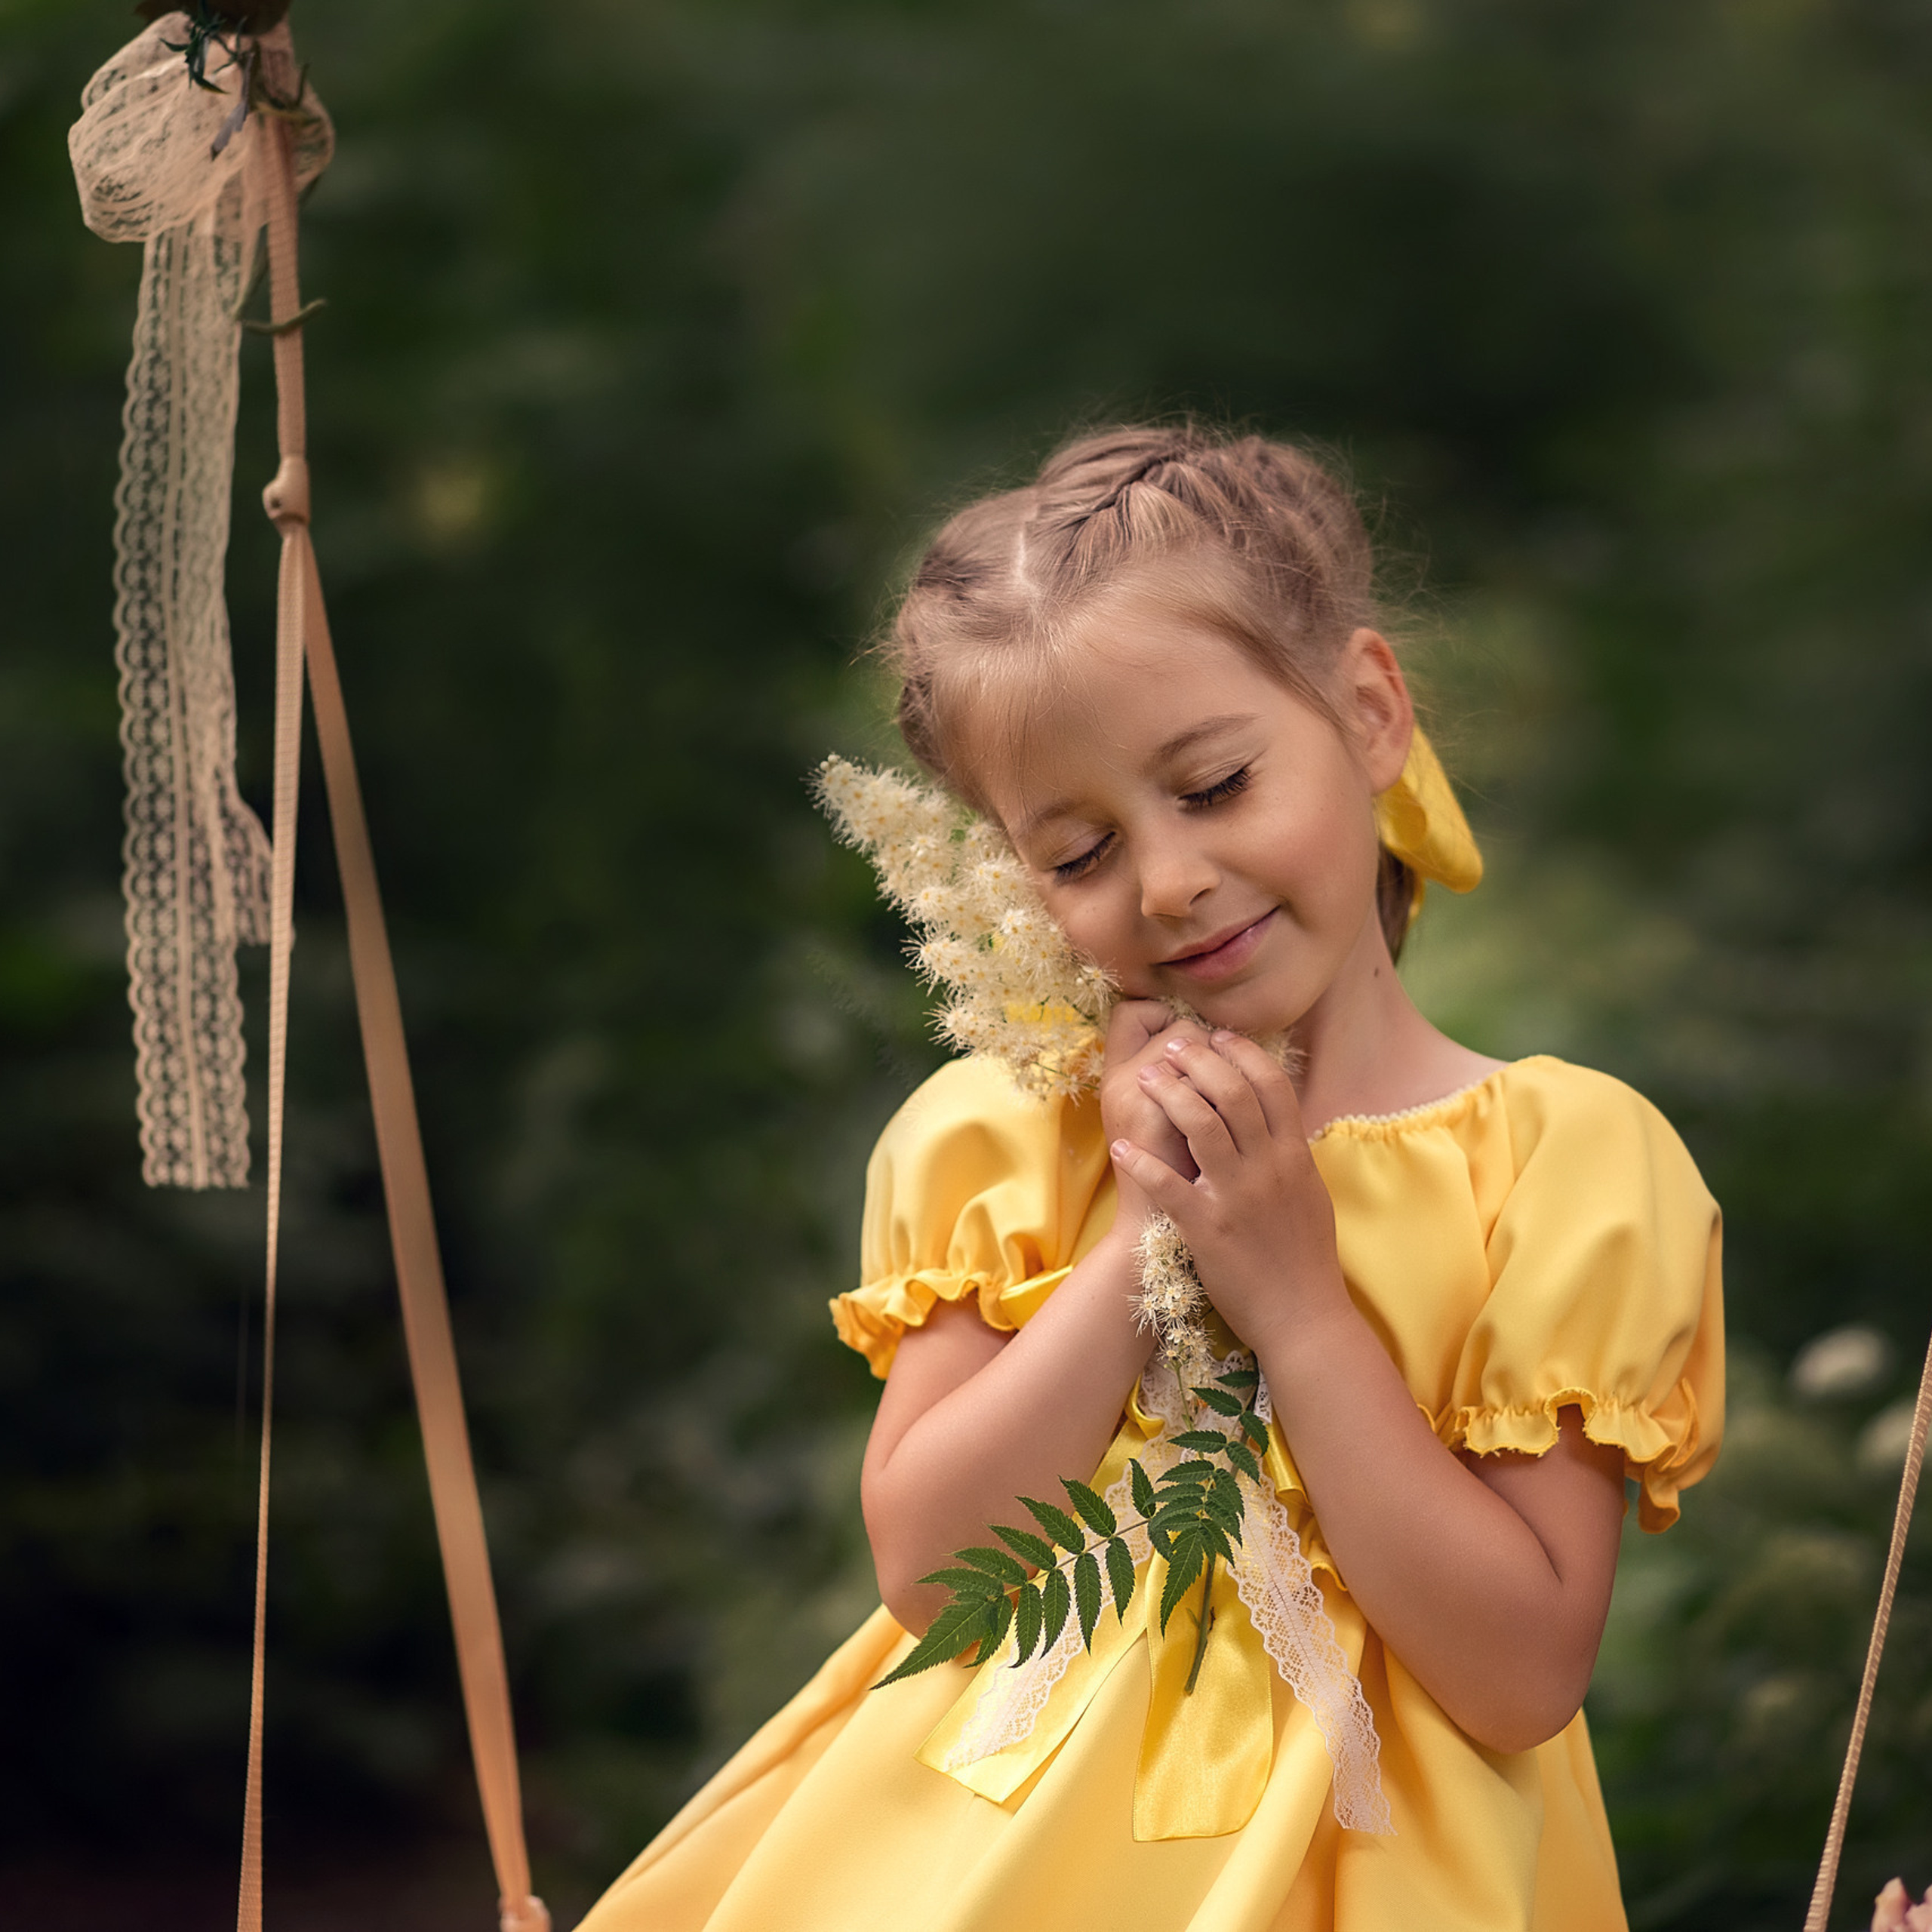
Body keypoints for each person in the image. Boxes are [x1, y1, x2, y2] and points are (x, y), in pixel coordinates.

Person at [577, 425, 1724, 1932]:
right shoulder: (1006, 1139)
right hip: (987, 1870)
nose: (1168, 880)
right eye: (1077, 853)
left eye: (1216, 783)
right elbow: (935, 1580)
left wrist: (1299, 1309)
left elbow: (1519, 1675)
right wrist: (1146, 1229)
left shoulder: (1563, 1165)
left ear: (1368, 713)